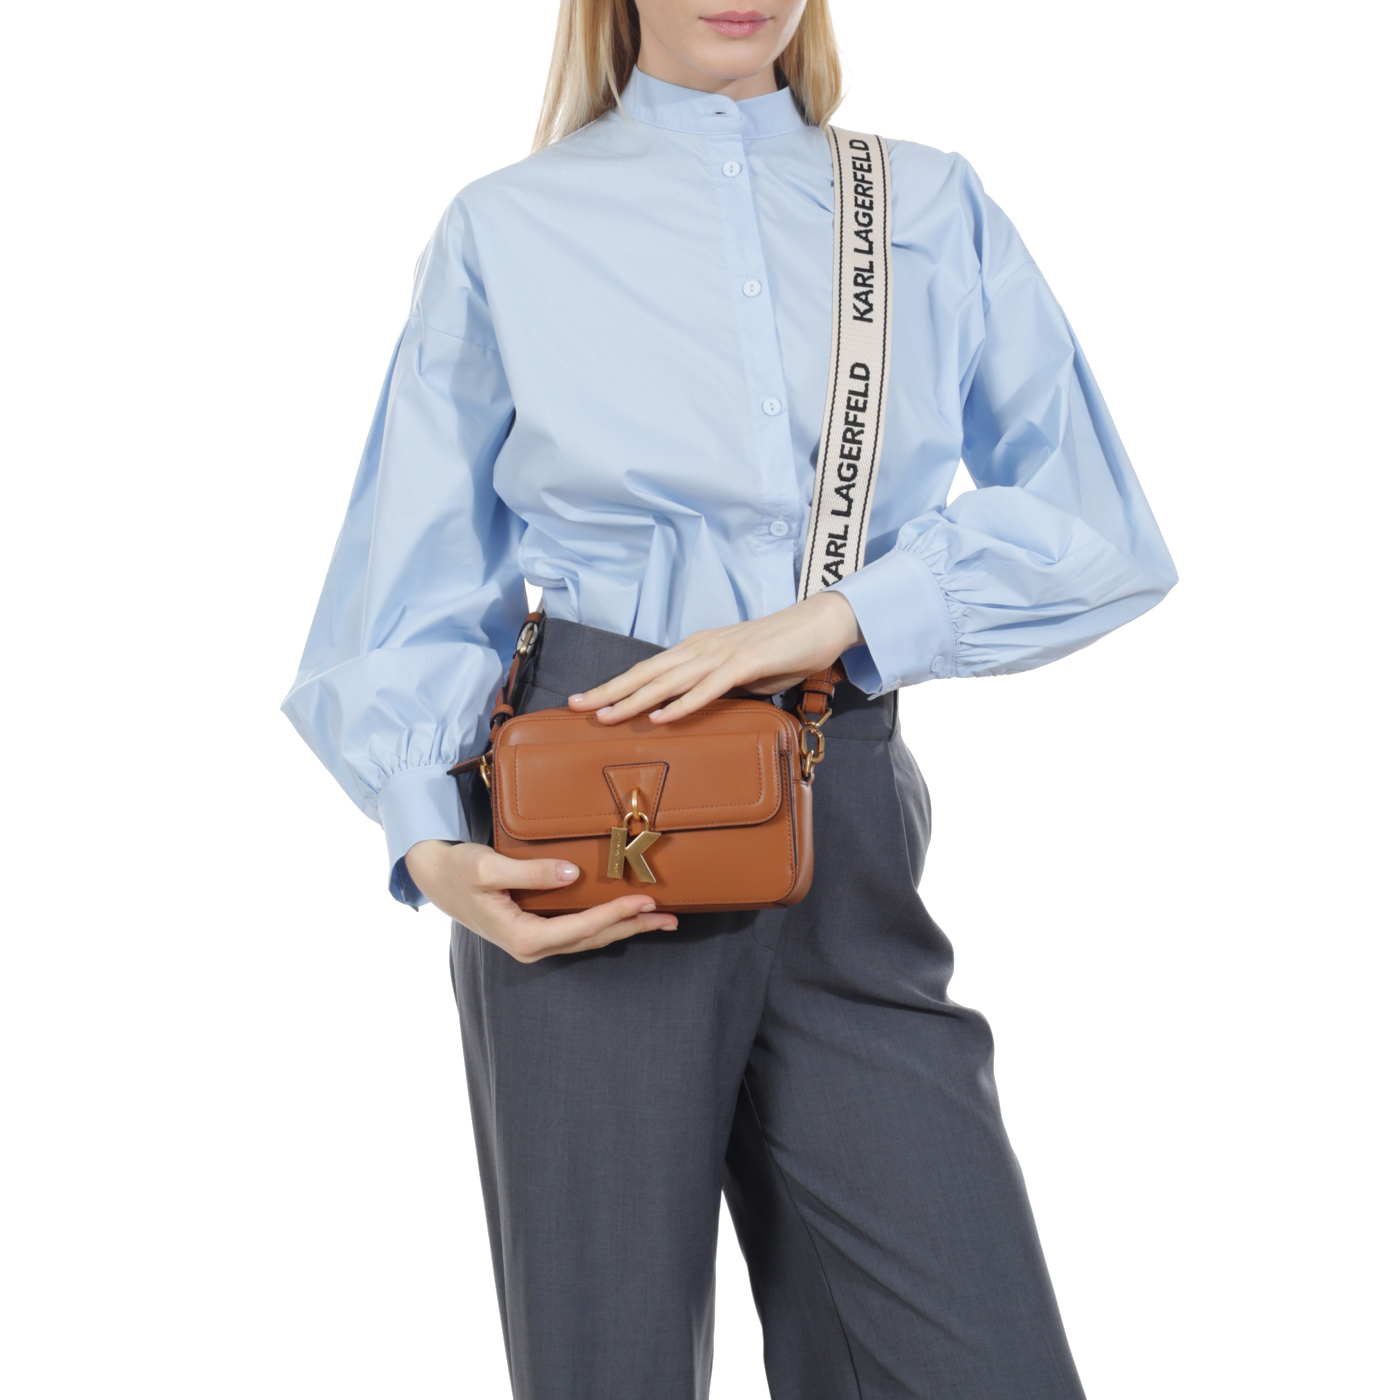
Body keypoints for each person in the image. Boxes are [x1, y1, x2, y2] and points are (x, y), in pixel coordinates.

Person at [283, 2, 1176, 1395]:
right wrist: (427, 840)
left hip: (842, 790)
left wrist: (842, 617)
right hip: (592, 823)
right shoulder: (505, 228)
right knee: (610, 1367)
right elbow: (414, 572)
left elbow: (1097, 528)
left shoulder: (926, 205)